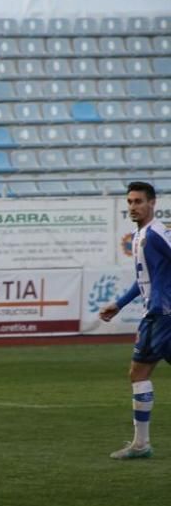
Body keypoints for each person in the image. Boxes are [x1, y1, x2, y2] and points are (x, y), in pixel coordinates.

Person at [99, 181, 168, 459]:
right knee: (138, 373)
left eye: (138, 201)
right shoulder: (139, 236)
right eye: (129, 202)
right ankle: (141, 444)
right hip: (153, 315)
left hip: (164, 316)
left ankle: (141, 444)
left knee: (138, 372)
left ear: (152, 203)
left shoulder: (156, 234)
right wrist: (119, 304)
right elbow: (143, 280)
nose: (133, 207)